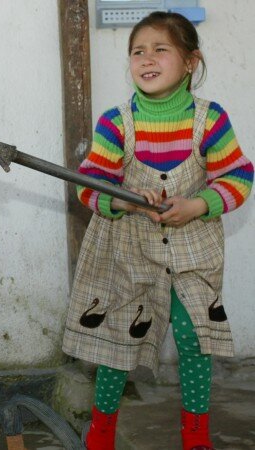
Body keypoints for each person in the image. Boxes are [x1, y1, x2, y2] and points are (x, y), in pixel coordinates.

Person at [62, 12, 253, 450]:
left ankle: (197, 438)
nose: (146, 58)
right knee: (117, 344)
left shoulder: (210, 119)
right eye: (137, 51)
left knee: (193, 338)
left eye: (160, 49)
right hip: (129, 251)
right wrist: (125, 200)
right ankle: (101, 434)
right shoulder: (116, 122)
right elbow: (89, 189)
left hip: (193, 248)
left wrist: (200, 204)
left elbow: (238, 178)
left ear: (190, 62)